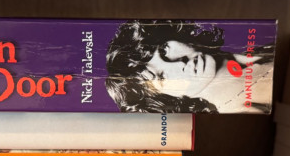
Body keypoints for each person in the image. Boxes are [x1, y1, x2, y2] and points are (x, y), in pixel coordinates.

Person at [105, 20, 273, 113]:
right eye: (162, 77)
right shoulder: (246, 110)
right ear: (166, 98)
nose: (179, 63)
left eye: (164, 49)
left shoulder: (259, 45)